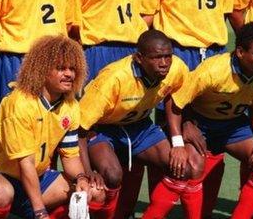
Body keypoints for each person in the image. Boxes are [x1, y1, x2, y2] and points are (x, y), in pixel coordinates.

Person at [146, 0, 237, 216]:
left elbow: (229, 14)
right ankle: (161, 209)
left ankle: (203, 210)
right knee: (167, 141)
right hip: (175, 59)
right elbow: (148, 16)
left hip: (213, 56)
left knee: (211, 142)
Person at [69, 0, 159, 219]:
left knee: (132, 127)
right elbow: (71, 24)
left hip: (132, 55)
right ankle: (90, 203)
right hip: (97, 53)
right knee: (95, 128)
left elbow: (148, 15)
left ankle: (124, 210)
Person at [0, 35, 103, 218]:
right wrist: (40, 212)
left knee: (94, 191)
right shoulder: (19, 103)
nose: (69, 74)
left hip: (38, 178)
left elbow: (70, 156)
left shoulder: (70, 106)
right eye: (61, 68)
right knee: (1, 193)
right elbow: (26, 164)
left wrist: (81, 178)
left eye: (72, 69)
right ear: (42, 70)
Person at [169, 22, 253, 219]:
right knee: (192, 166)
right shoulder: (213, 70)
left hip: (233, 125)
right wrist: (185, 128)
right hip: (202, 124)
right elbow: (175, 102)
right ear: (241, 52)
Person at [77, 30, 204, 219]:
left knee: (181, 167)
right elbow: (80, 128)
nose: (164, 63)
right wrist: (86, 172)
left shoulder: (176, 68)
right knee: (112, 175)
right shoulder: (114, 79)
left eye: (167, 56)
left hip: (140, 126)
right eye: (156, 57)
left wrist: (179, 138)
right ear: (139, 58)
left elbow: (175, 95)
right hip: (102, 129)